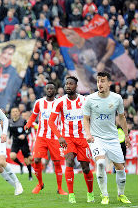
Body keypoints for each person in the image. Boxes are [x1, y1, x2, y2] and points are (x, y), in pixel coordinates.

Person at [83, 71, 131, 204]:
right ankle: (105, 195)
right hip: (96, 138)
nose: (100, 84)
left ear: (109, 83)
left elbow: (122, 117)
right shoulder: (90, 99)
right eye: (98, 81)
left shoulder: (117, 99)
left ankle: (120, 194)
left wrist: (126, 136)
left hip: (113, 138)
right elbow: (85, 119)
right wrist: (88, 134)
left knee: (120, 168)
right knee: (100, 163)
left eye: (103, 81)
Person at [49, 76, 94, 204]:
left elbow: (92, 118)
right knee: (69, 161)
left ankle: (90, 193)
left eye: (71, 84)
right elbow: (51, 121)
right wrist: (60, 136)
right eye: (66, 84)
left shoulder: (84, 101)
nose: (68, 86)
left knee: (85, 167)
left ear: (76, 86)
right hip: (67, 137)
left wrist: (91, 134)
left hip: (82, 138)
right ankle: (71, 195)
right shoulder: (60, 102)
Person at [24, 82, 67, 195]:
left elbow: (63, 118)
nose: (49, 90)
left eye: (51, 88)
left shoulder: (59, 103)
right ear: (45, 90)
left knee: (57, 163)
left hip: (55, 138)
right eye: (47, 88)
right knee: (36, 159)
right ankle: (40, 184)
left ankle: (60, 188)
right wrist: (28, 124)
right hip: (41, 136)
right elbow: (34, 115)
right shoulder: (39, 102)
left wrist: (63, 133)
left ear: (55, 90)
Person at [61, 28, 127, 89]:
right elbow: (78, 67)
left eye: (71, 34)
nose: (70, 37)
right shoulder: (71, 51)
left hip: (113, 75)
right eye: (67, 36)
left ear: (78, 33)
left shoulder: (95, 40)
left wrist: (102, 61)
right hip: (95, 83)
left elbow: (112, 44)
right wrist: (84, 83)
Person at [8, 107, 32, 180]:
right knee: (12, 156)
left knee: (27, 160)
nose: (15, 113)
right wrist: (9, 138)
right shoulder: (10, 122)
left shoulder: (23, 121)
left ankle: (30, 175)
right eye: (13, 111)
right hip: (15, 142)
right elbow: (11, 132)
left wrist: (24, 135)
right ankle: (20, 164)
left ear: (19, 113)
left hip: (23, 142)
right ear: (11, 113)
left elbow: (29, 130)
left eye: (16, 111)